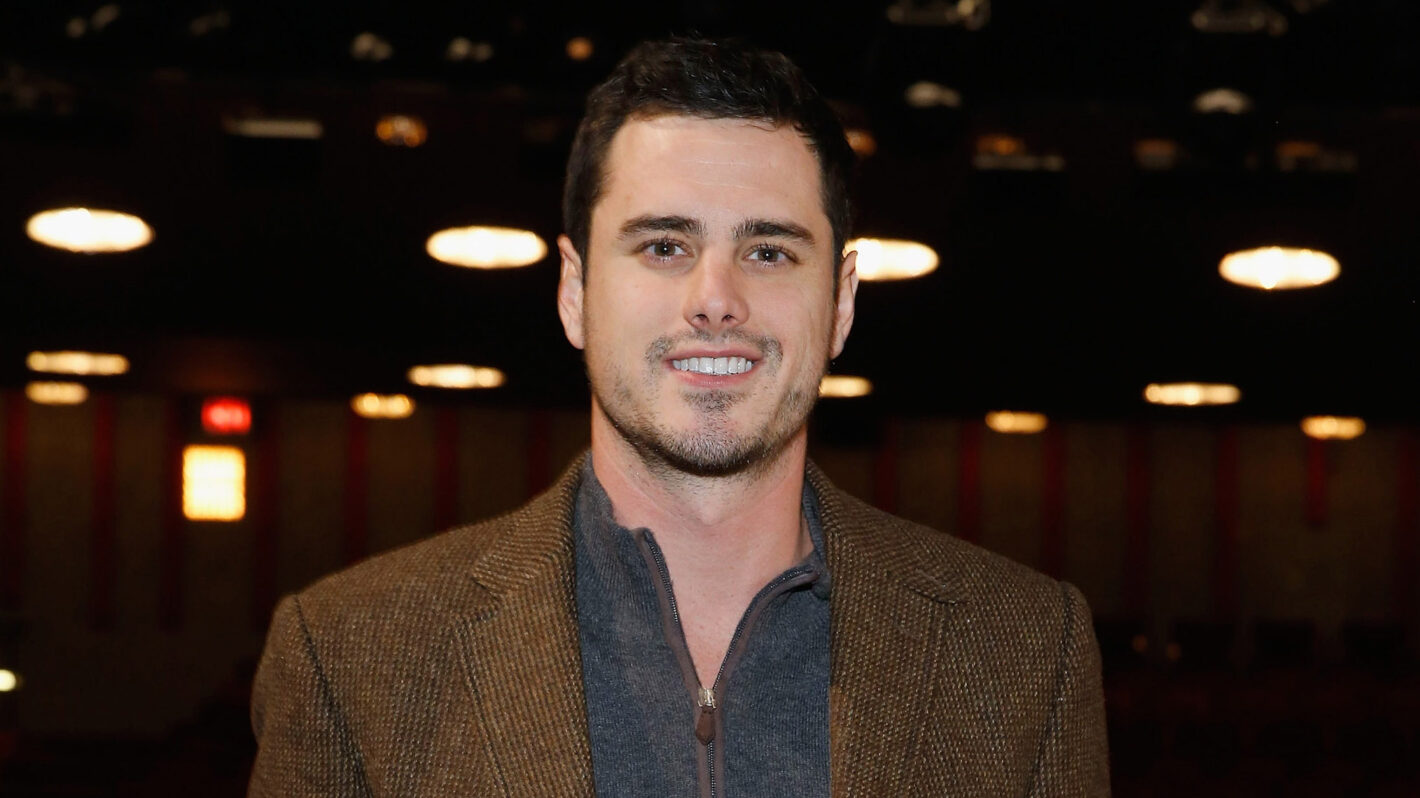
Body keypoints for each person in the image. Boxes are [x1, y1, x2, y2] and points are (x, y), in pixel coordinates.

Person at [248, 37, 1110, 797]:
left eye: (768, 250)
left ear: (842, 302)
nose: (716, 298)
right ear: (575, 292)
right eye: (665, 246)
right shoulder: (352, 656)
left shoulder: (1024, 654)